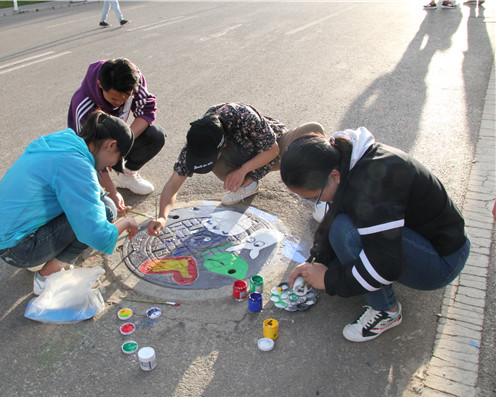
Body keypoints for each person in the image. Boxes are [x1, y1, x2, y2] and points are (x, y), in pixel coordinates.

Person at [280, 127, 470, 342]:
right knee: (340, 226)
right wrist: (317, 260)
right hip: (421, 236)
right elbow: (335, 212)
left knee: (346, 233)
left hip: (443, 260)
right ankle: (356, 274)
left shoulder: (372, 188)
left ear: (334, 176)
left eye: (313, 197)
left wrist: (329, 279)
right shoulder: (343, 157)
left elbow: (385, 266)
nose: (317, 203)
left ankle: (387, 311)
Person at [0, 111, 139, 295]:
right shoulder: (77, 165)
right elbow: (97, 234)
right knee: (107, 210)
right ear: (111, 145)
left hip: (4, 235)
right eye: (116, 159)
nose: (111, 167)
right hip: (18, 249)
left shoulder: (65, 141)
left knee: (98, 201)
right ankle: (46, 277)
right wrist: (126, 222)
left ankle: (42, 255)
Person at [147, 103, 324, 236]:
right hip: (245, 159)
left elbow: (273, 150)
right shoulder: (199, 141)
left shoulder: (243, 115)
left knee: (313, 130)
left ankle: (322, 192)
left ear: (223, 144)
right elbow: (173, 184)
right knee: (219, 165)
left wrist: (242, 170)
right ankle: (248, 184)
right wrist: (162, 216)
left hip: (273, 150)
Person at [68, 58, 164, 204]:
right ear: (100, 85)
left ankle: (125, 175)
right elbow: (89, 151)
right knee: (104, 203)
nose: (119, 103)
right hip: (88, 149)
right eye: (114, 99)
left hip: (113, 137)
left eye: (125, 98)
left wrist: (123, 142)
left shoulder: (133, 78)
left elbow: (146, 110)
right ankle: (98, 182)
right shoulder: (84, 106)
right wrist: (112, 192)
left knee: (155, 135)